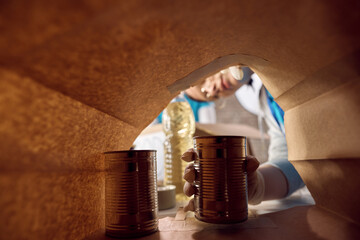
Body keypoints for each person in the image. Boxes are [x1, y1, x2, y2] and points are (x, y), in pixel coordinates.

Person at [181, 66, 305, 211]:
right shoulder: (267, 99)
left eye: (200, 80)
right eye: (212, 97)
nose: (212, 89)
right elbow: (296, 159)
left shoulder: (295, 64)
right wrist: (254, 186)